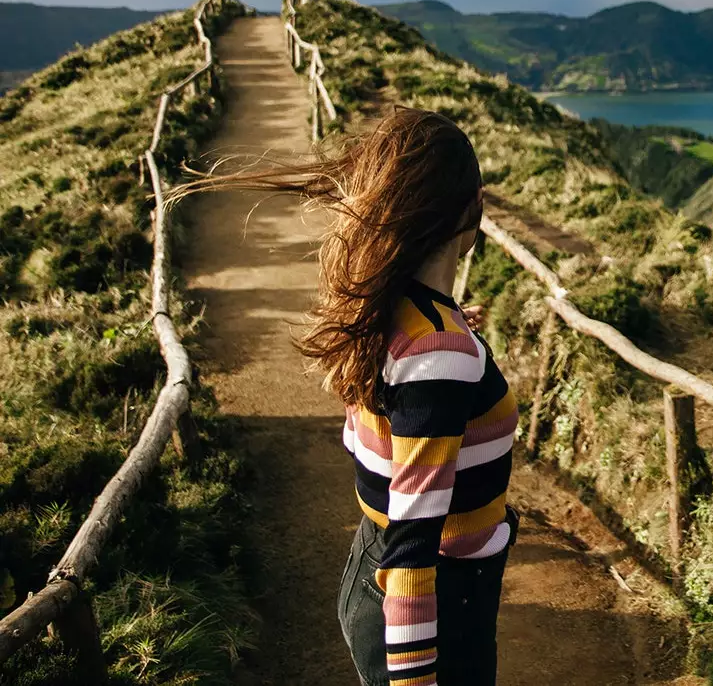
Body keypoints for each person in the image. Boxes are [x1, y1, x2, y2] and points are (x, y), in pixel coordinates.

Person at [177, 107, 517, 685]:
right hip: (435, 605)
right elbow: (413, 548)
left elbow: (378, 436)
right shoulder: (434, 352)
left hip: (372, 568)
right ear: (470, 211)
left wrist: (452, 335)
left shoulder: (390, 311)